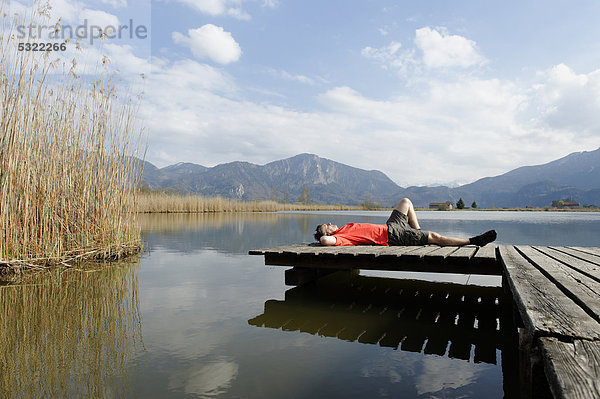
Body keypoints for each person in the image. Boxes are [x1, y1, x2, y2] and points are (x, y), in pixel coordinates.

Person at [314, 198, 496, 247]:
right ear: (328, 233)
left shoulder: (343, 229)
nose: (330, 222)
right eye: (326, 225)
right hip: (393, 236)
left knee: (406, 202)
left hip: (390, 226)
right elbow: (324, 242)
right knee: (435, 236)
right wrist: (326, 237)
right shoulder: (340, 238)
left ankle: (418, 233)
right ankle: (473, 241)